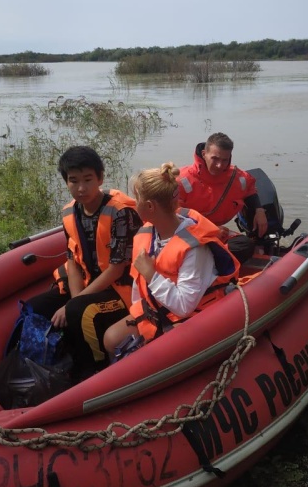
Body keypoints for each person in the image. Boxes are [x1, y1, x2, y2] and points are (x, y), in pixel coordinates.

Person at [27, 146, 142, 380]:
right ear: (66, 182)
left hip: (122, 289)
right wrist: (73, 299)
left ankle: (94, 369)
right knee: (37, 306)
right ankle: (50, 358)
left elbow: (116, 268)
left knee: (79, 310)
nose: (81, 188)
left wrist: (73, 304)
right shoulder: (70, 212)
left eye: (88, 180)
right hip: (90, 282)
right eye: (73, 181)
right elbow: (73, 261)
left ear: (100, 178)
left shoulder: (120, 213)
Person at [103, 162, 239, 356]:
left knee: (145, 356)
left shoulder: (194, 248)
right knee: (110, 338)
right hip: (159, 310)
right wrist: (141, 314)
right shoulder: (147, 234)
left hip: (192, 316)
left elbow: (184, 306)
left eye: (136, 198)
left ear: (149, 206)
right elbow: (138, 290)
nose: (134, 202)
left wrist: (151, 273)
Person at [177, 132, 268, 263]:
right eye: (215, 158)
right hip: (187, 233)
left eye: (225, 160)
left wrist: (259, 210)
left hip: (216, 234)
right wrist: (208, 230)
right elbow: (172, 217)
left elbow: (250, 190)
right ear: (204, 154)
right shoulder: (181, 180)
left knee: (245, 245)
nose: (220, 165)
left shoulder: (237, 177)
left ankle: (208, 261)